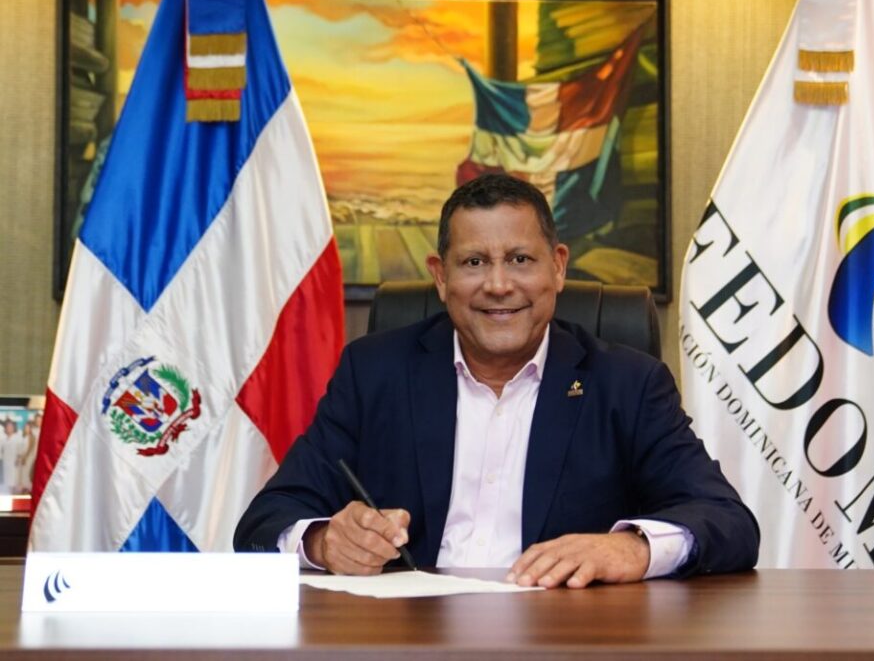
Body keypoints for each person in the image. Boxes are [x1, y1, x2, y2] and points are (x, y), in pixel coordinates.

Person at [235, 174, 759, 587]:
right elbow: (263, 523)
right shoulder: (374, 373)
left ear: (558, 267)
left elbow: (729, 522)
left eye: (520, 259)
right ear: (441, 277)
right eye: (474, 262)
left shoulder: (628, 384)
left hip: (563, 644)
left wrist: (631, 548)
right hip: (408, 642)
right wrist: (324, 542)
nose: (498, 284)